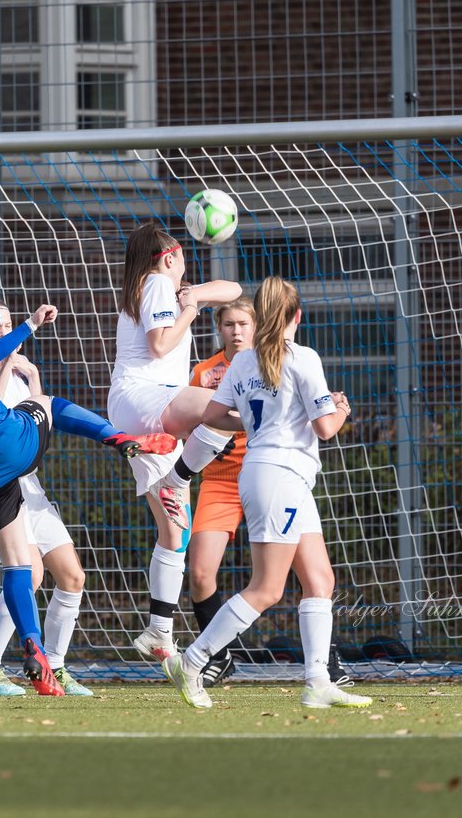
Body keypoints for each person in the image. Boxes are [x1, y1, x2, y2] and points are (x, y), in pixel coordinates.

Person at [0, 300, 174, 695]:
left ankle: (35, 649)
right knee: (47, 404)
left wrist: (30, 325)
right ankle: (119, 439)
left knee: (20, 567)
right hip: (12, 449)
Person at [162, 276, 371, 710]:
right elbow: (326, 429)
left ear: (260, 317)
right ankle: (194, 659)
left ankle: (317, 681)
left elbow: (216, 416)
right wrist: (342, 409)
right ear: (296, 316)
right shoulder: (303, 357)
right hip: (281, 476)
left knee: (320, 579)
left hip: (271, 474)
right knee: (267, 588)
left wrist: (261, 422)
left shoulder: (241, 363)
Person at [107, 221, 242, 663]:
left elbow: (233, 287)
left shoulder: (149, 284)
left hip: (133, 408)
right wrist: (189, 308)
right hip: (149, 397)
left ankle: (159, 631)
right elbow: (161, 345)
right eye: (182, 260)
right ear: (169, 258)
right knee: (236, 412)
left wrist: (196, 293)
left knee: (175, 533)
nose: (185, 271)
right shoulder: (158, 285)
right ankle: (180, 474)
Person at [0, 294, 93, 698]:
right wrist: (4, 365)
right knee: (29, 575)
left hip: (30, 487)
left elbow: (39, 419)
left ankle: (54, 667)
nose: (6, 330)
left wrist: (33, 377)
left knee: (72, 576)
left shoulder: (19, 372)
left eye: (7, 323)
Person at [186, 298, 255, 687]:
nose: (237, 331)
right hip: (220, 481)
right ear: (219, 328)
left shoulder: (273, 363)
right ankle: (218, 655)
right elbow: (192, 422)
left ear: (256, 327)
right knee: (199, 573)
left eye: (243, 323)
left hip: (267, 476)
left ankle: (325, 659)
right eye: (229, 324)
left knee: (303, 571)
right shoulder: (204, 373)